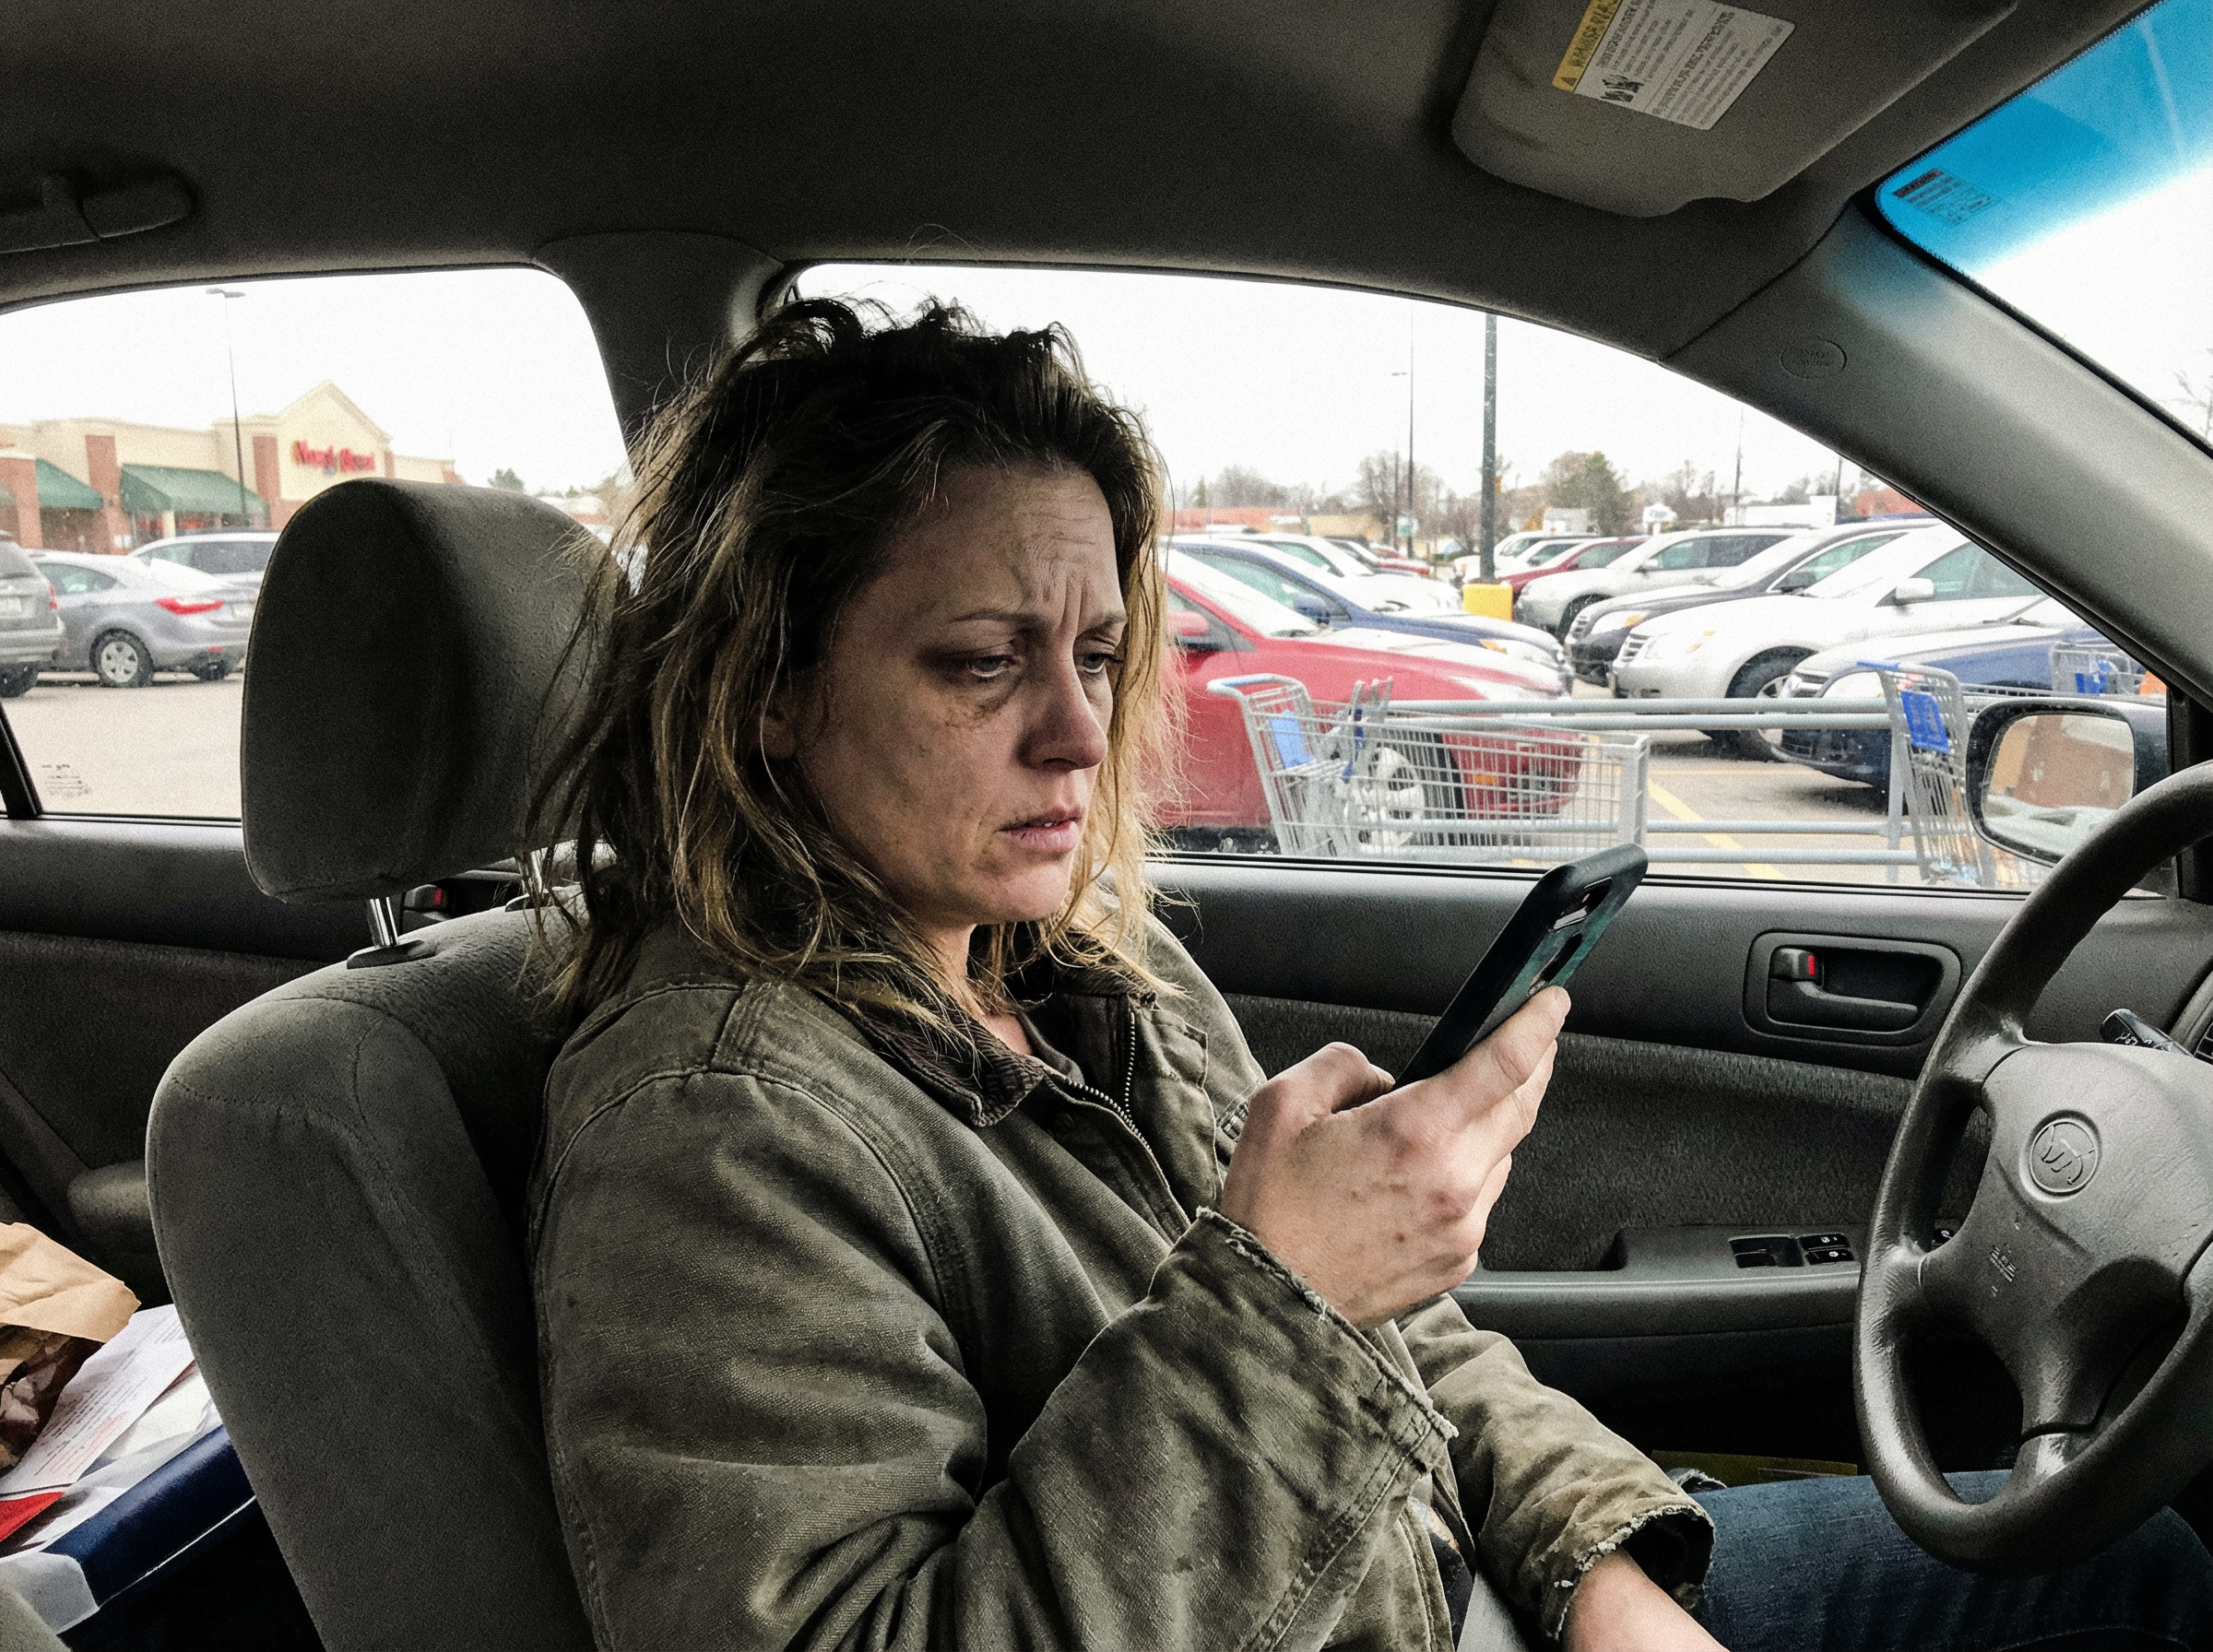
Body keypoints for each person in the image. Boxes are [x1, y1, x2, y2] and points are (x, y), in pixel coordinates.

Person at [524, 298, 2213, 1651]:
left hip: (1467, 1589)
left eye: (1103, 655)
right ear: (766, 693)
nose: (1076, 729)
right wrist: (1286, 1290)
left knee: (2137, 1567)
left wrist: (1599, 1569)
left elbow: (1402, 1351)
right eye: (981, 663)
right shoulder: (712, 1121)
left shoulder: (1076, 964)